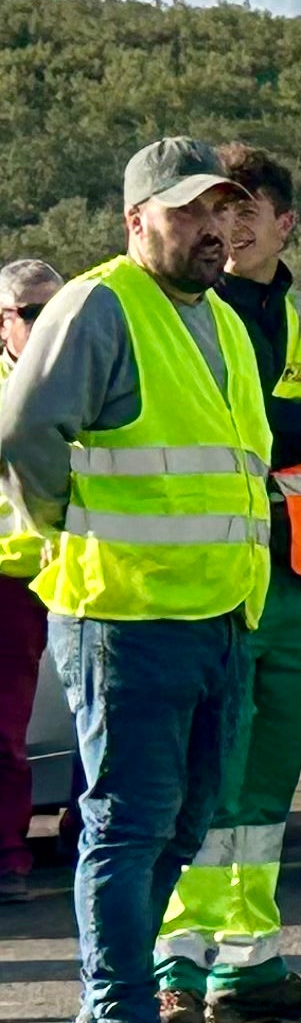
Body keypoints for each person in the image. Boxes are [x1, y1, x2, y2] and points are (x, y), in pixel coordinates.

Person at [6, 141, 271, 1023]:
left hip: (214, 617)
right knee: (123, 831)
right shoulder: (101, 303)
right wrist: (63, 527)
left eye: (221, 211)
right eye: (187, 212)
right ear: (135, 220)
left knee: (176, 832)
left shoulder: (223, 324)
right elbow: (23, 429)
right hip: (126, 615)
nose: (210, 228)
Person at [147, 146, 301, 1023]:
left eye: (252, 211)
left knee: (271, 779)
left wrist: (261, 425)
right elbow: (223, 425)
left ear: (287, 225)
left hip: (297, 578)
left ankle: (249, 966)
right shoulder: (190, 312)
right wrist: (291, 427)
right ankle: (177, 968)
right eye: (221, 212)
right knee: (206, 778)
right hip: (216, 575)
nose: (232, 228)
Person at [0, 256, 67, 906]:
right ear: (4, 322)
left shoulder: (83, 379)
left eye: (57, 311)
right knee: (6, 733)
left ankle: (82, 831)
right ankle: (8, 857)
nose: (47, 325)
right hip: (12, 585)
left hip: (83, 574)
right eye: (32, 314)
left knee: (96, 720)